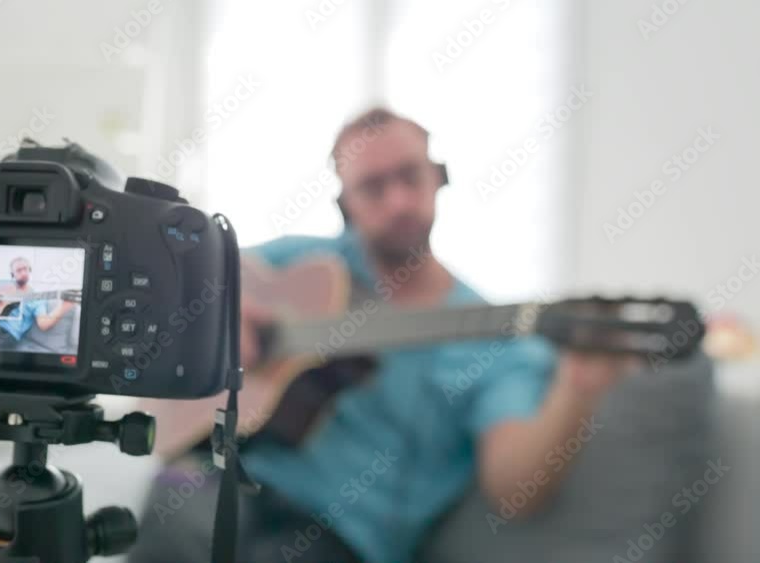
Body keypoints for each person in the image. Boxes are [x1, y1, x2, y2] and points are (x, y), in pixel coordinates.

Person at [129, 108, 635, 563]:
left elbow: (514, 490)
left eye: (410, 176)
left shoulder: (493, 337)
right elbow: (182, 278)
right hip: (230, 484)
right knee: (171, 513)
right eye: (373, 187)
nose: (398, 202)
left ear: (438, 178)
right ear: (345, 204)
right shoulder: (312, 264)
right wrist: (222, 321)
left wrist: (577, 388)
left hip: (341, 538)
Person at [0, 256, 76, 350]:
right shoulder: (5, 284)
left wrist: (65, 306)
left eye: (25, 269)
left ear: (29, 270)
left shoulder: (37, 298)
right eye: (19, 270)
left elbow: (44, 324)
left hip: (8, 334)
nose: (23, 273)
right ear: (12, 274)